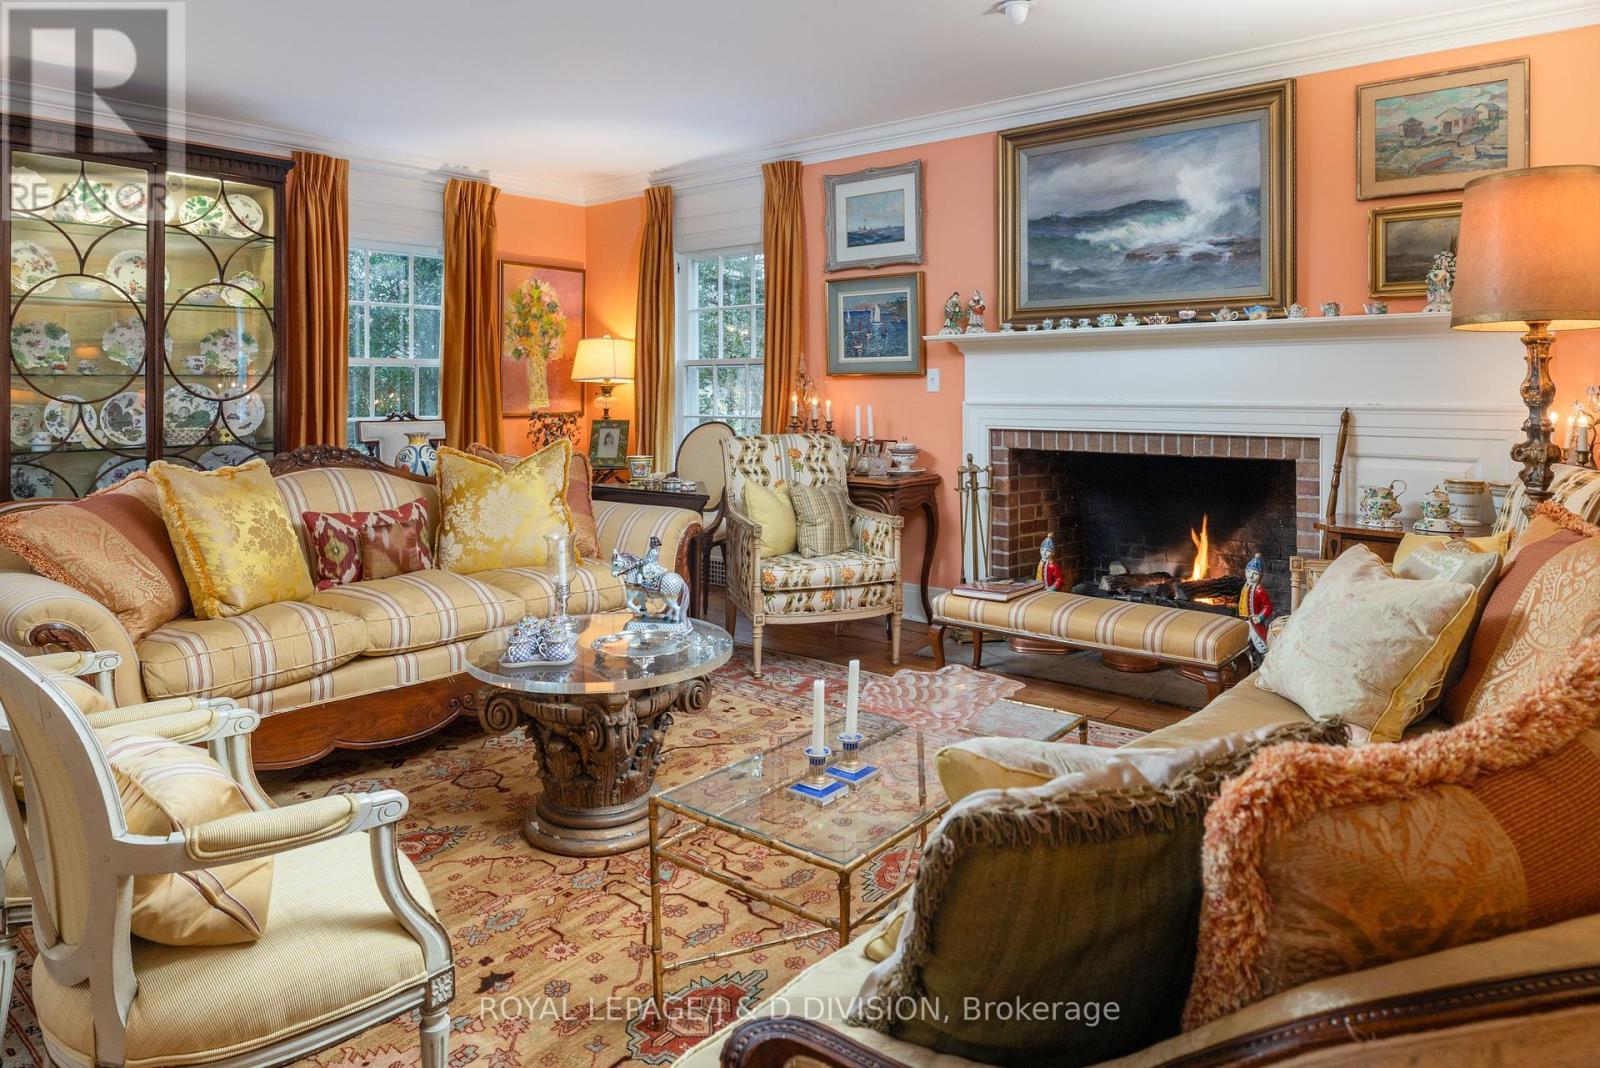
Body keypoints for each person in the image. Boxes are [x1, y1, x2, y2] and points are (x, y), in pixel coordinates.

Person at [1238, 552, 1274, 663]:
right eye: (1248, 572)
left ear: (1260, 576)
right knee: (1241, 644)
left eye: (1255, 574)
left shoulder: (1259, 590)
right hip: (1243, 620)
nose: (1250, 576)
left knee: (1261, 644)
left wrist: (1260, 617)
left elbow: (1268, 606)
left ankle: (1268, 662)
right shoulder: (1245, 586)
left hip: (1254, 622)